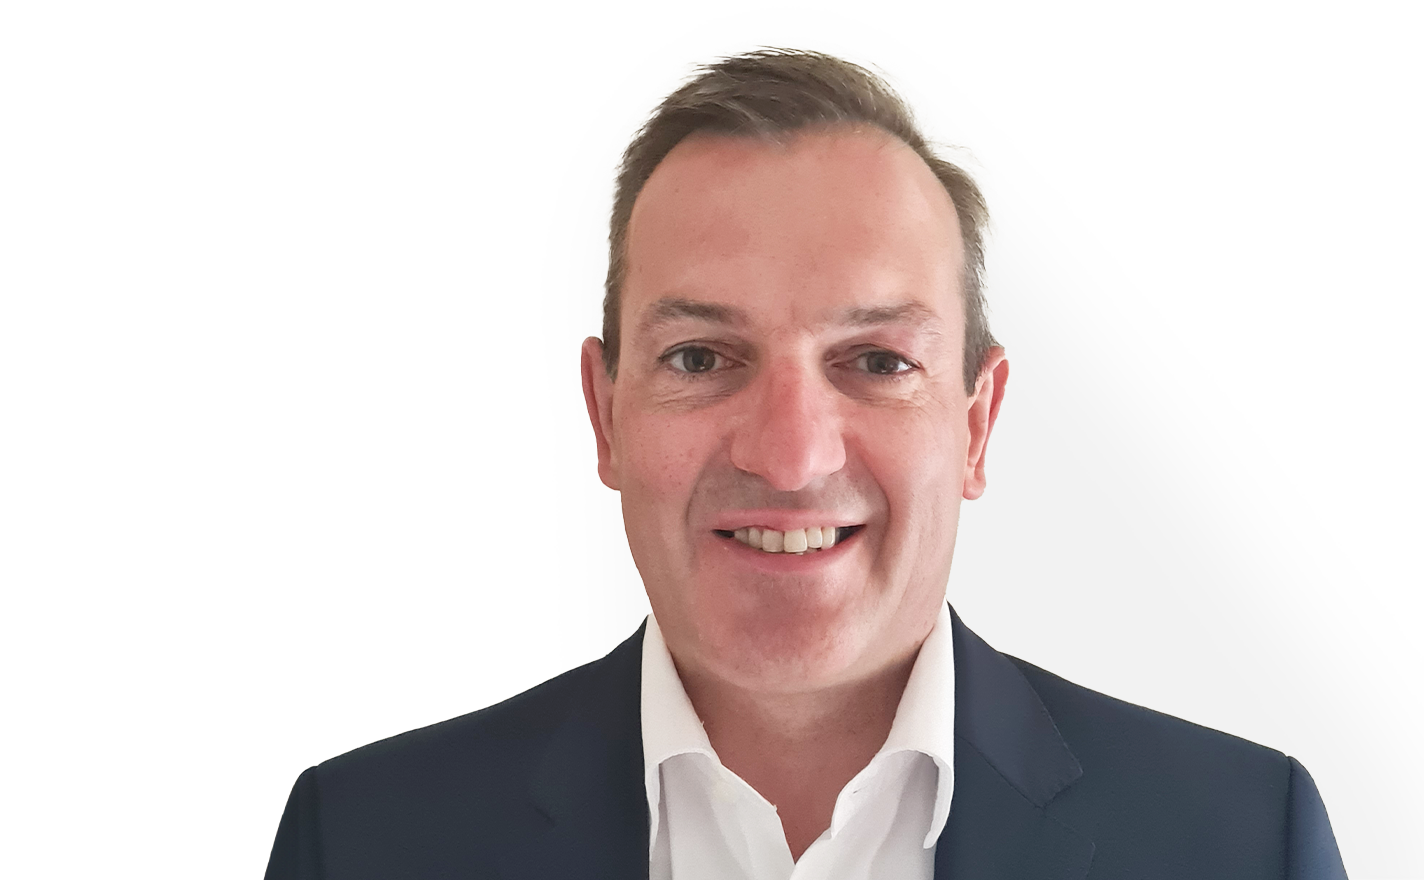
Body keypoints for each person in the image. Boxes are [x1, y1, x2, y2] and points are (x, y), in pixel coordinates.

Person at [265, 42, 1347, 879]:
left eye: (876, 361)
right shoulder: (361, 841)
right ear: (603, 414)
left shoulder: (1243, 841)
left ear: (976, 425)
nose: (788, 458)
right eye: (701, 357)